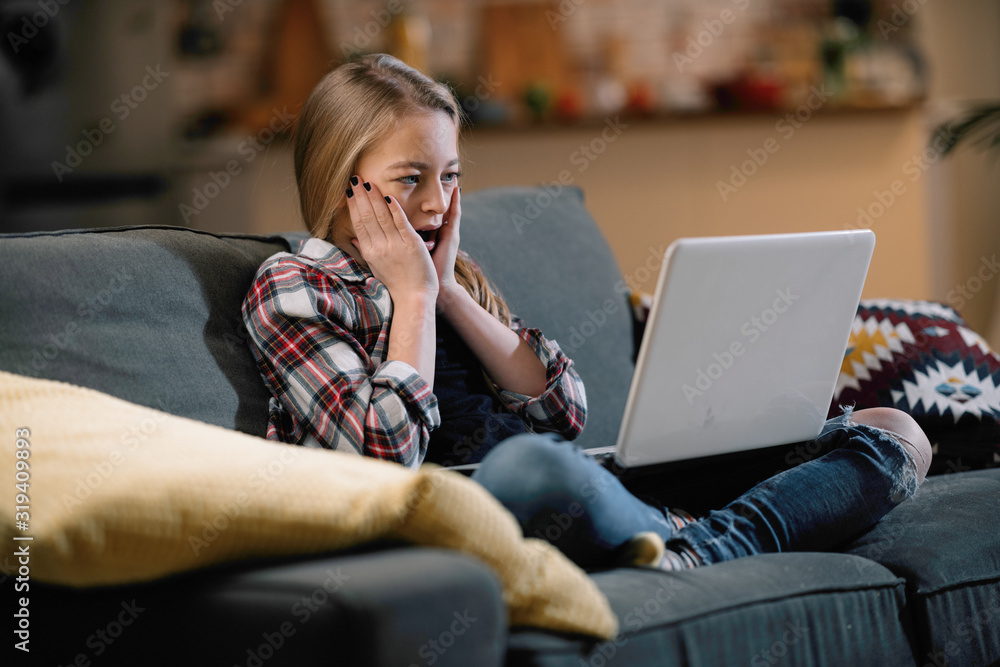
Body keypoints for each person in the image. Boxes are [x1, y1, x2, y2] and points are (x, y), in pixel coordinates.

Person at [242, 54, 932, 572]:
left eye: (450, 176)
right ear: (342, 182)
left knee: (893, 429)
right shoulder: (297, 287)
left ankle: (693, 543)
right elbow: (381, 458)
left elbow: (565, 412)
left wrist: (448, 290)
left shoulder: (455, 277)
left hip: (585, 484)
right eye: (410, 178)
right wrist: (415, 300)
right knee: (535, 469)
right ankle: (716, 536)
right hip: (477, 503)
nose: (437, 203)